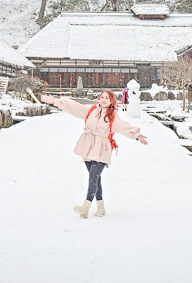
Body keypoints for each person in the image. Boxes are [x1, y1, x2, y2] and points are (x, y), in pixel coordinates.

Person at [41, 89, 148, 218]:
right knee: (95, 179)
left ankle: (85, 207)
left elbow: (124, 127)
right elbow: (75, 107)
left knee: (93, 176)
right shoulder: (91, 110)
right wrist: (57, 101)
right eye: (102, 97)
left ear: (112, 101)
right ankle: (101, 207)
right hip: (87, 146)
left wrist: (137, 135)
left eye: (107, 98)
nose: (103, 100)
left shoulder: (113, 116)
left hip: (102, 149)